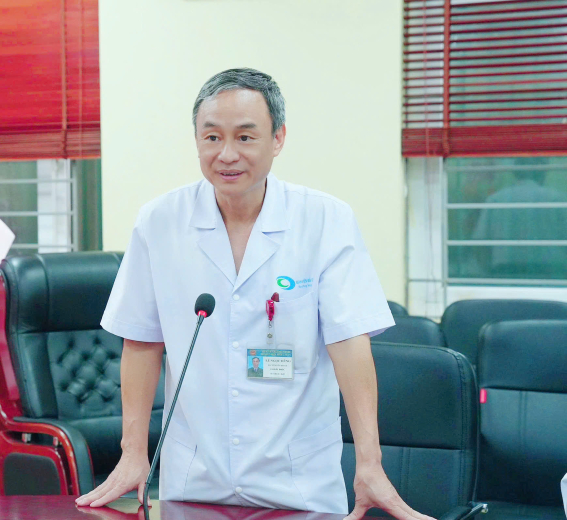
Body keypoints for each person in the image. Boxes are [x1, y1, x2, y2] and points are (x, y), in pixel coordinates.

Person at [76, 68, 433, 519]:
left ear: (277, 138)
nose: (227, 154)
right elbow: (142, 340)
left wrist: (370, 462)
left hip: (297, 481)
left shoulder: (325, 220)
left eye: (245, 137)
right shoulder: (160, 222)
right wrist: (133, 453)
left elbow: (349, 342)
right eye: (212, 137)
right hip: (195, 478)